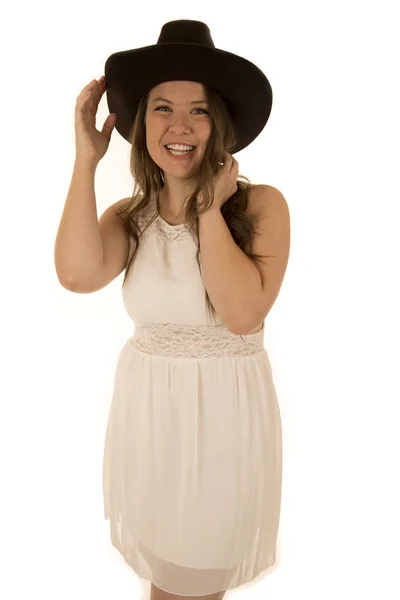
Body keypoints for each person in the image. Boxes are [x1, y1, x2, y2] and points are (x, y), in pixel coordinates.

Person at [55, 19, 287, 600]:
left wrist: (209, 209)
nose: (179, 126)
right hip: (151, 421)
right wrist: (86, 161)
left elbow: (241, 314)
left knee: (199, 586)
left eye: (199, 111)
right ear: (142, 124)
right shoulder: (129, 217)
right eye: (162, 108)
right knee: (163, 585)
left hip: (224, 423)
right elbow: (76, 275)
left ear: (221, 125)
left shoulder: (262, 206)